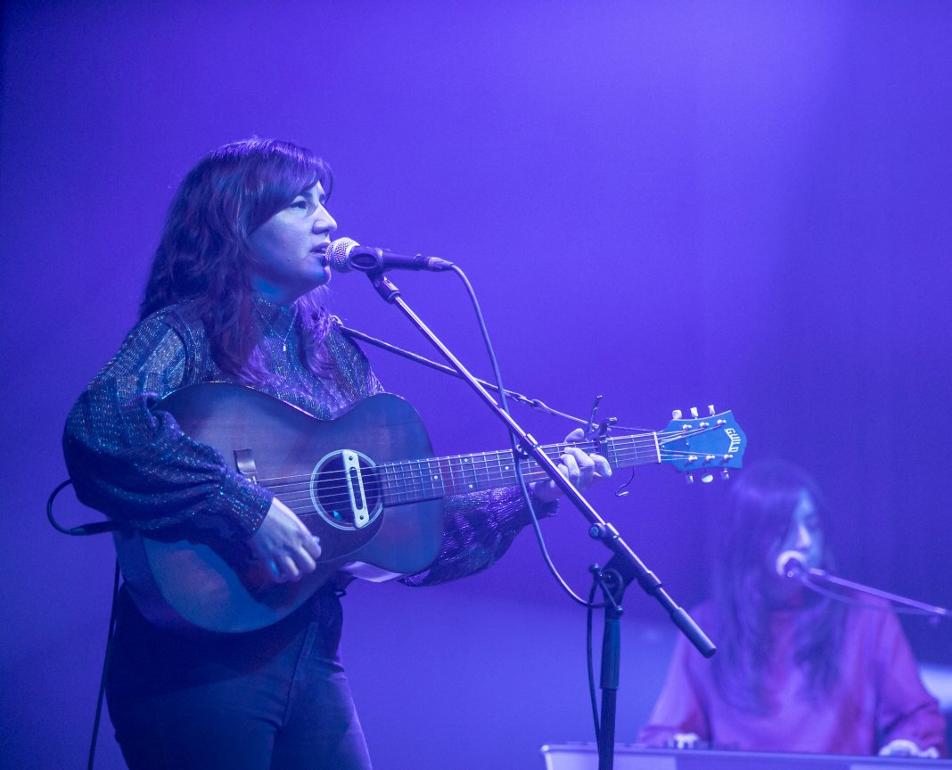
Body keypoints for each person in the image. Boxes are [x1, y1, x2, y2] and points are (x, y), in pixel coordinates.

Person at [62, 138, 609, 770]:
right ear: (236, 225)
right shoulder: (184, 331)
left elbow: (406, 543)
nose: (329, 222)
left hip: (311, 653)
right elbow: (103, 425)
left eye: (325, 202)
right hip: (194, 667)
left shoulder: (337, 356)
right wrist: (245, 506)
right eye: (301, 204)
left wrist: (529, 492)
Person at [638, 459, 945, 757]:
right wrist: (678, 742)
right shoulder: (707, 624)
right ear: (750, 538)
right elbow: (666, 731)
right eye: (784, 528)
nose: (804, 541)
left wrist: (908, 745)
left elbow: (916, 717)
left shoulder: (865, 614)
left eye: (812, 525)